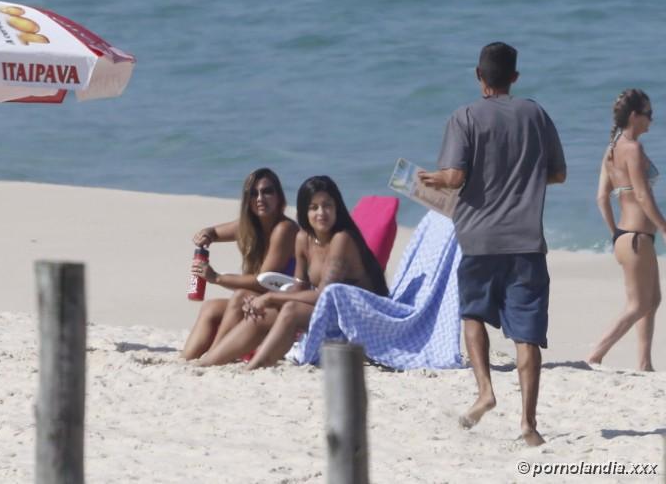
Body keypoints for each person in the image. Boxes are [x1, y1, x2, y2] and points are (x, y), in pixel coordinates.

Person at [419, 42, 566, 447]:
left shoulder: (464, 116)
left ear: (478, 76)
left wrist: (430, 179)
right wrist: (525, 176)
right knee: (527, 334)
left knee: (472, 316)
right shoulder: (536, 114)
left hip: (479, 238)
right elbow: (558, 174)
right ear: (514, 78)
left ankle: (485, 390)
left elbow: (453, 177)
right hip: (526, 240)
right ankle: (528, 424)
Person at [195, 175, 387, 368]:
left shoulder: (342, 239)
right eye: (314, 207)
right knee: (263, 312)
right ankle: (209, 362)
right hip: (328, 313)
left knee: (290, 309)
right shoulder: (303, 238)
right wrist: (261, 301)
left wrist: (270, 297)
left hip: (357, 318)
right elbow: (299, 286)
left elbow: (324, 296)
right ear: (304, 211)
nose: (321, 213)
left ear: (337, 207)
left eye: (327, 205)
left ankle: (255, 365)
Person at [180, 168, 298, 360]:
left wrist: (217, 278)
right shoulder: (251, 225)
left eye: (267, 191)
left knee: (240, 295)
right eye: (253, 194)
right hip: (260, 301)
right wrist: (206, 234)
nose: (260, 198)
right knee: (211, 308)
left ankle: (214, 356)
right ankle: (186, 360)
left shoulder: (285, 229)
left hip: (284, 306)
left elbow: (263, 281)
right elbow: (215, 232)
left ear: (279, 196)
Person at [588, 89, 663, 371]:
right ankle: (595, 354)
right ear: (634, 116)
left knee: (652, 300)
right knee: (638, 304)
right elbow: (643, 196)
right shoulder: (632, 149)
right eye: (648, 115)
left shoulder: (610, 151)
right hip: (637, 238)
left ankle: (644, 363)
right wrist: (664, 227)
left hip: (626, 237)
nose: (651, 121)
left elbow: (600, 198)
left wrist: (616, 234)